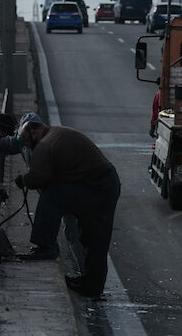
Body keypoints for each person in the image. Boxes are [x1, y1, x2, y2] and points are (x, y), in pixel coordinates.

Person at [13, 120, 121, 300]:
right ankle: (91, 284)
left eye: (26, 140)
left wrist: (22, 180)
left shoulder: (45, 144)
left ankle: (45, 245)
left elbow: (38, 176)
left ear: (35, 132)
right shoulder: (56, 134)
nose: (26, 145)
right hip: (103, 184)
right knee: (93, 236)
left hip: (99, 186)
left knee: (53, 197)